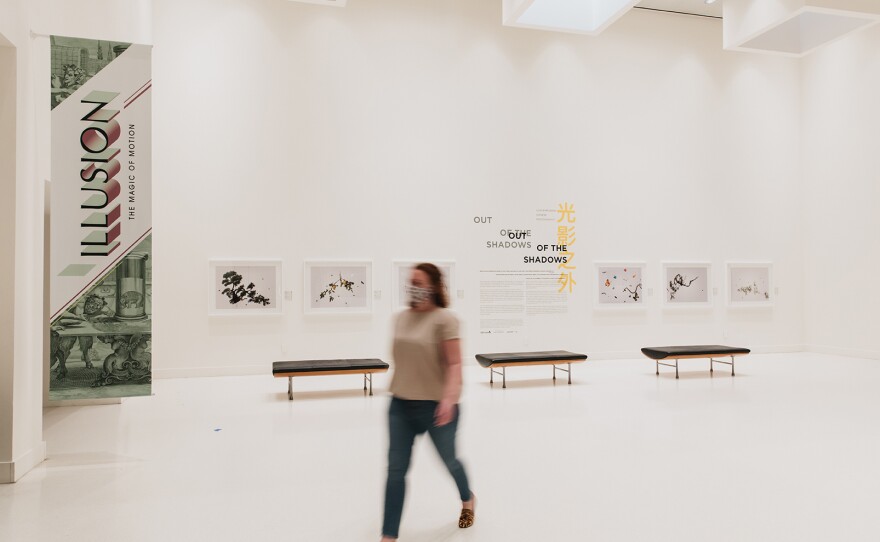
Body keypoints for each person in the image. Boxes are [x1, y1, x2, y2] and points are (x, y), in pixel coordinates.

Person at [380, 263, 475, 541]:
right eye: (410, 281)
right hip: (399, 405)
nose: (413, 287)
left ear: (433, 286)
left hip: (436, 407)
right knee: (395, 470)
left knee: (450, 462)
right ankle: (389, 536)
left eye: (419, 282)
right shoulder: (399, 318)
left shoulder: (445, 319)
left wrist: (448, 399)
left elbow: (455, 363)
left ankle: (468, 500)